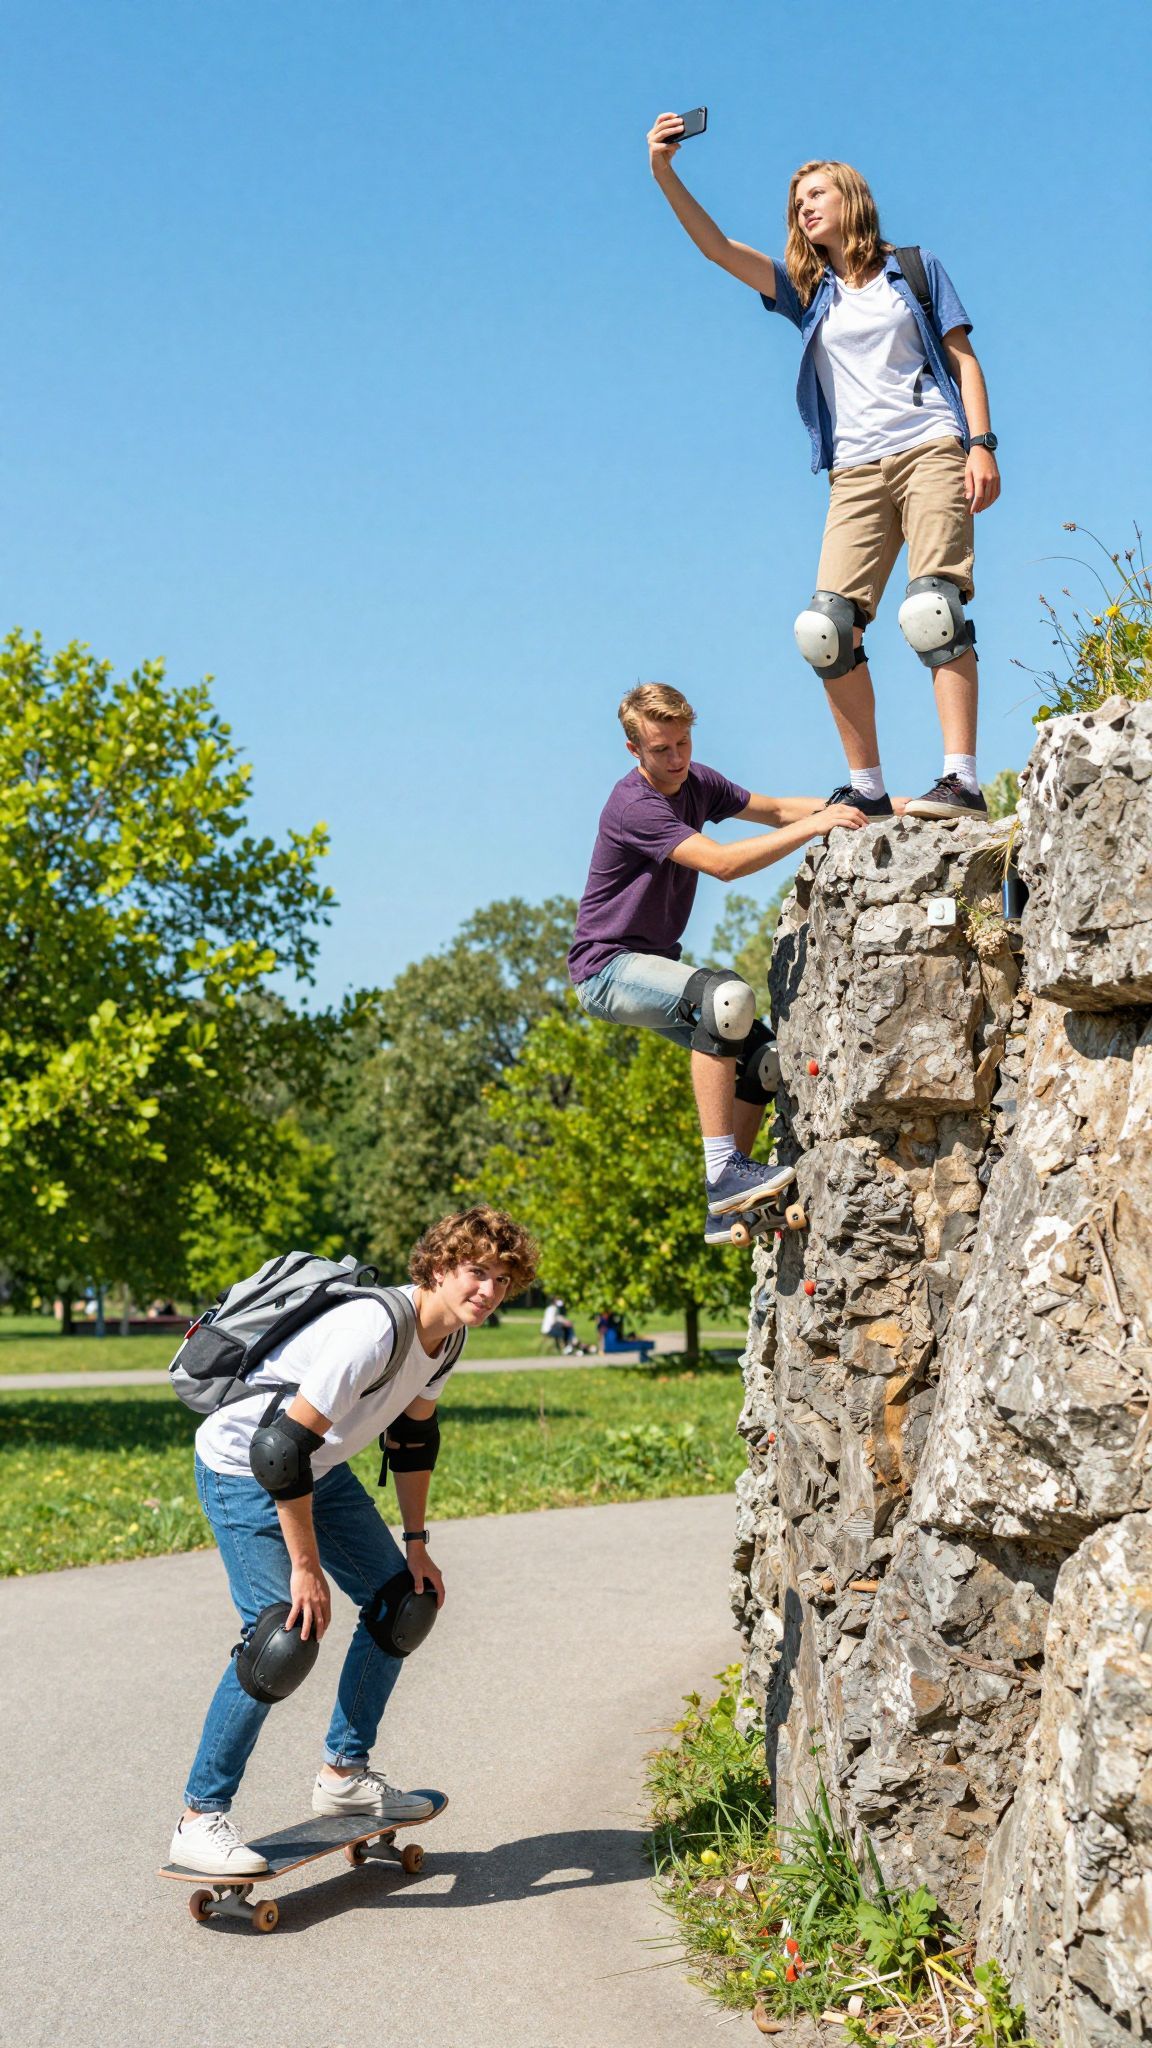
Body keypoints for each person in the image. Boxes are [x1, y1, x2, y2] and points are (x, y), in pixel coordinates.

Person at [646, 119, 1001, 821]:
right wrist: (664, 172)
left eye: (816, 194)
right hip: (855, 471)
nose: (804, 207)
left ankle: (960, 781)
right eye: (796, 202)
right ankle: (868, 789)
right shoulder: (808, 290)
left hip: (930, 447)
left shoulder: (915, 268)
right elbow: (718, 250)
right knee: (825, 629)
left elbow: (962, 358)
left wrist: (982, 443)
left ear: (850, 197)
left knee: (931, 610)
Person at [169, 1206, 539, 1877]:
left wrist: (417, 1544)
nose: (488, 1290)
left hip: (316, 1467)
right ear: (439, 1266)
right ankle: (199, 1818)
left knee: (404, 1602)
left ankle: (344, 1774)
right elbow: (280, 1448)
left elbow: (412, 1438)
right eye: (475, 1271)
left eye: (502, 1280)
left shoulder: (449, 1337)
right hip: (244, 1465)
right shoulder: (376, 1329)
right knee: (282, 1636)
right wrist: (305, 1567)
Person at [568, 682, 865, 1243]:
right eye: (661, 749)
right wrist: (814, 827)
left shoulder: (697, 782)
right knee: (725, 999)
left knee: (763, 1061)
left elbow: (776, 809)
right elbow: (723, 864)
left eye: (683, 743)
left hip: (649, 966)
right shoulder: (635, 805)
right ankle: (723, 1172)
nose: (676, 759)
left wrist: (875, 807)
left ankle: (730, 1205)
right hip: (607, 970)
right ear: (634, 750)